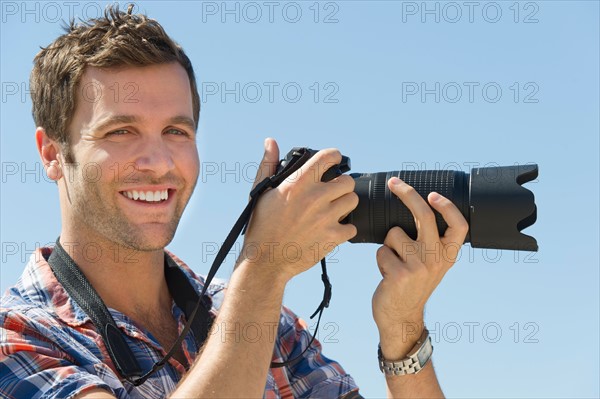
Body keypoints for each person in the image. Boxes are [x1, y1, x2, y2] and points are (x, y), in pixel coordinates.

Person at [0, 5, 469, 398]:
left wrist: (402, 331)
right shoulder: (18, 340)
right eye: (120, 131)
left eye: (176, 131)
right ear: (52, 153)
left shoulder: (266, 323)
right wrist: (262, 267)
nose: (158, 161)